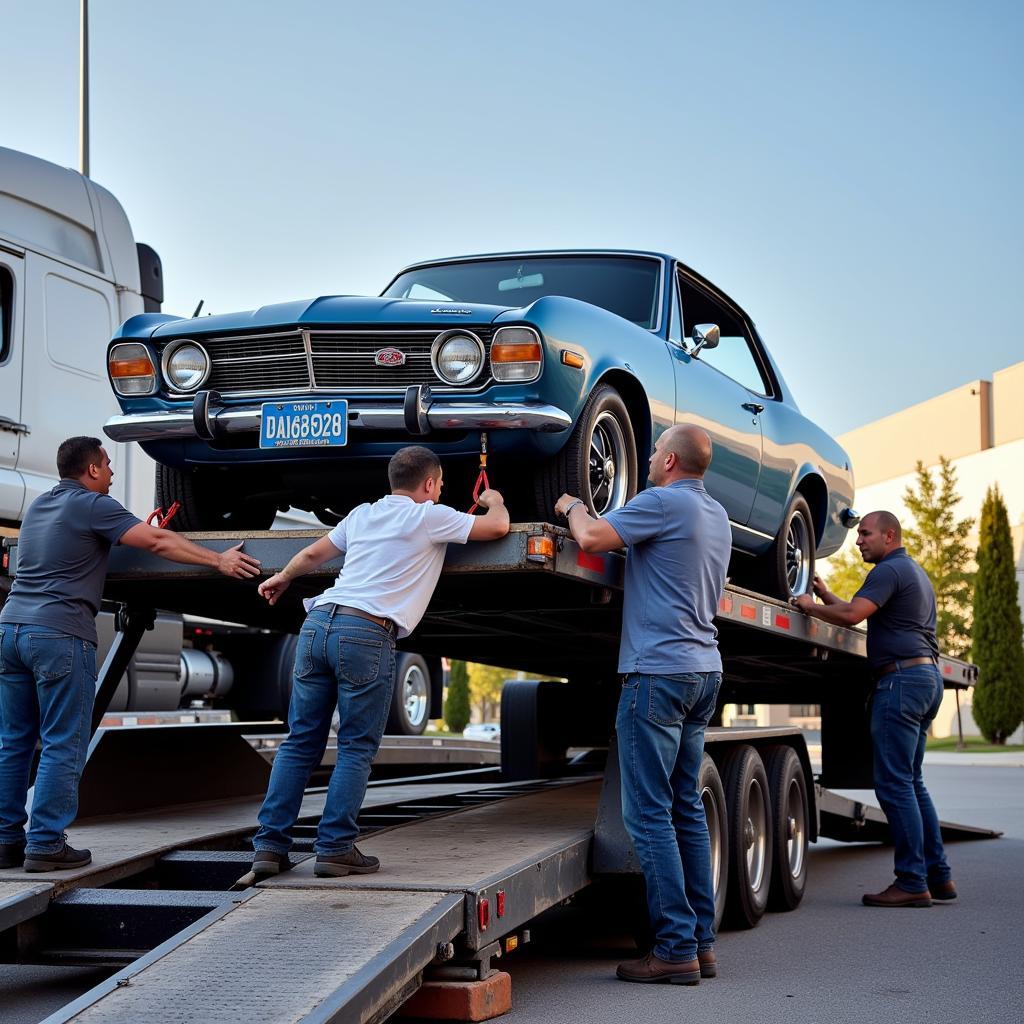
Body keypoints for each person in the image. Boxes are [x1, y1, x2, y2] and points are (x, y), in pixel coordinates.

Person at [0, 436, 261, 871]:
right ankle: (45, 843)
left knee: (13, 743)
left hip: (11, 630)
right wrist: (218, 561)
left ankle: (6, 841)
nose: (113, 472)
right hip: (59, 634)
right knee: (64, 742)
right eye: (107, 464)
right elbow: (157, 543)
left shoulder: (41, 507)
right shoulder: (95, 505)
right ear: (93, 471)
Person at [249, 445, 509, 879]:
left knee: (300, 742)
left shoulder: (362, 514)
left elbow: (314, 555)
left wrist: (282, 577)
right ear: (429, 484)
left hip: (317, 624)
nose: (441, 491)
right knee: (355, 747)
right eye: (441, 485)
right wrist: (493, 499)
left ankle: (269, 848)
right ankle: (333, 848)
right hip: (365, 633)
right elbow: (497, 526)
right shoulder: (429, 516)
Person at [555, 424, 731, 986]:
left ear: (672, 460)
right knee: (685, 810)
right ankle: (700, 944)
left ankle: (675, 948)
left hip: (658, 674)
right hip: (704, 671)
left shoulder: (661, 502)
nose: (650, 456)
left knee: (648, 815)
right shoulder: (718, 516)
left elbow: (592, 538)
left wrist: (572, 505)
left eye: (656, 450)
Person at [793, 510, 956, 907]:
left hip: (899, 683)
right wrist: (829, 597)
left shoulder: (887, 570)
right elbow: (859, 613)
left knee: (894, 785)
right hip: (925, 679)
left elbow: (853, 615)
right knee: (912, 782)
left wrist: (810, 607)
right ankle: (939, 876)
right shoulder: (912, 572)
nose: (859, 540)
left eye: (865, 534)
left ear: (890, 535)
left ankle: (912, 881)